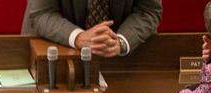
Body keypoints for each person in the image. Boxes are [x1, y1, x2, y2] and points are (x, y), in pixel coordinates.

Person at [22, 0, 163, 57]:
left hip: (122, 63)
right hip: (56, 52)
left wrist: (119, 42)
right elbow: (41, 13)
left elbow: (148, 11)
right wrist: (78, 37)